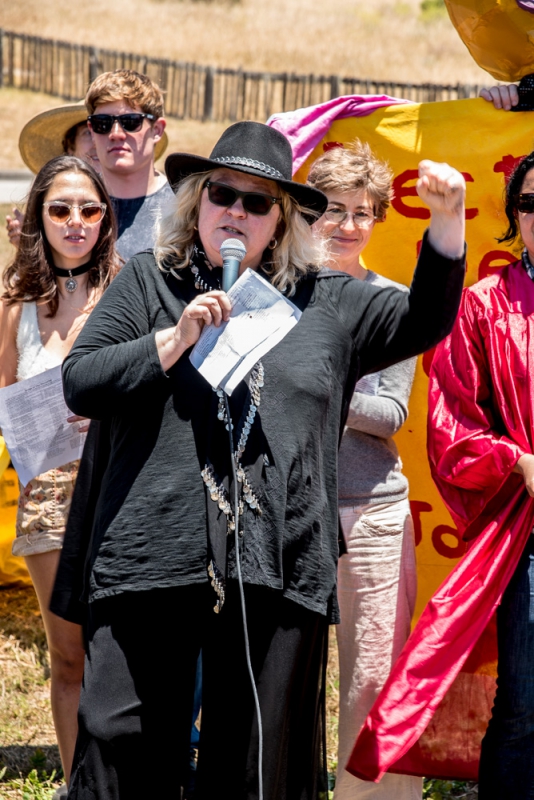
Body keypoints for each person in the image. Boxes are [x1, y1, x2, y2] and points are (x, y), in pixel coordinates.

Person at [53, 120, 466, 800]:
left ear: (283, 220)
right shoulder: (151, 284)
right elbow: (84, 380)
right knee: (125, 747)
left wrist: (447, 222)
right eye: (223, 194)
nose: (237, 212)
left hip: (276, 559)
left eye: (258, 202)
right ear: (197, 202)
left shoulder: (326, 299)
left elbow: (425, 319)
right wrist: (174, 338)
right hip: (153, 550)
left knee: (256, 766)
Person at [0, 155, 120, 797]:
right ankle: (80, 787)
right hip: (46, 493)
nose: (75, 222)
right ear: (39, 217)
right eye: (60, 209)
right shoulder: (14, 302)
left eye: (89, 209)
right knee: (68, 656)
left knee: (119, 657)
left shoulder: (129, 289)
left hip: (116, 492)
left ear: (106, 219)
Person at [307, 141, 421, 800]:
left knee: (372, 679)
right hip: (292, 506)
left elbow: (389, 413)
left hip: (373, 508)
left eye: (363, 212)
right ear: (307, 214)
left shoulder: (394, 302)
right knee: (288, 673)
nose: (348, 225)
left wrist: (317, 380)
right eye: (333, 210)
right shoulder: (278, 297)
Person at [426, 151, 534, 798]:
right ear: (513, 216)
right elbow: (451, 428)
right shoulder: (483, 307)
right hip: (527, 529)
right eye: (532, 203)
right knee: (524, 706)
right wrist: (518, 461)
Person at [85, 68, 173, 260]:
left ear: (157, 130)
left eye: (131, 122)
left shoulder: (185, 207)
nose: (116, 133)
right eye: (103, 123)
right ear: (91, 131)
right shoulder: (75, 205)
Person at [6, 102, 102, 248]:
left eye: (102, 130)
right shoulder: (51, 191)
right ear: (70, 146)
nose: (97, 142)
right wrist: (29, 241)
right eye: (88, 133)